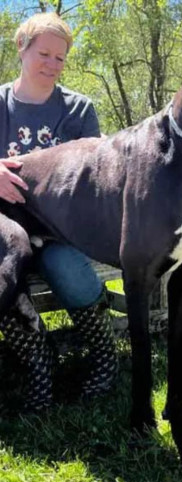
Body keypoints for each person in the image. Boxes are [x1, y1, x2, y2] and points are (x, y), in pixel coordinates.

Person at [0, 13, 116, 412]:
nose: (51, 64)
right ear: (21, 47)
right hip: (3, 224)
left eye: (60, 58)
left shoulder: (78, 110)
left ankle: (103, 354)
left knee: (66, 266)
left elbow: (96, 176)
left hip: (57, 225)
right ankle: (38, 359)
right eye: (43, 53)